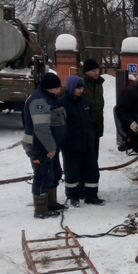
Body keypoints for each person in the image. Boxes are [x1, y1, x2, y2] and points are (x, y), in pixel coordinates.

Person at [22, 72, 67, 218]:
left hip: (49, 145)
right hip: (40, 146)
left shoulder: (50, 98)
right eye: (58, 86)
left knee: (53, 172)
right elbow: (41, 128)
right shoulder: (39, 102)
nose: (61, 88)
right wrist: (51, 147)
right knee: (42, 175)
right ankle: (41, 209)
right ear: (50, 88)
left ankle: (51, 202)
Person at [59, 76, 104, 206]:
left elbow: (91, 120)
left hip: (87, 142)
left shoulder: (86, 103)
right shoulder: (62, 104)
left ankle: (91, 195)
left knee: (92, 170)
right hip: (71, 144)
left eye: (82, 87)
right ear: (72, 87)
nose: (80, 90)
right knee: (72, 171)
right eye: (78, 87)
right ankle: (74, 196)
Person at [81, 58, 105, 158]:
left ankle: (93, 172)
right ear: (86, 72)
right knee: (85, 156)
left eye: (97, 70)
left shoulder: (98, 84)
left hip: (96, 124)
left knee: (94, 155)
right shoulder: (80, 84)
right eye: (93, 71)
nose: (96, 73)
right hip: (83, 127)